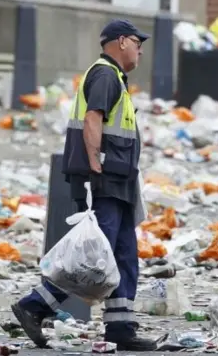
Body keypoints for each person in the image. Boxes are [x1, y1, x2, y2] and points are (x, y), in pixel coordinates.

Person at [11, 19, 156, 351]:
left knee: (123, 256)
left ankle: (120, 329)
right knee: (93, 256)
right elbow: (93, 119)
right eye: (137, 42)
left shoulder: (114, 76)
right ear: (121, 42)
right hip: (106, 180)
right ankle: (35, 306)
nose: (140, 49)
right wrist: (96, 168)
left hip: (119, 182)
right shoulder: (105, 74)